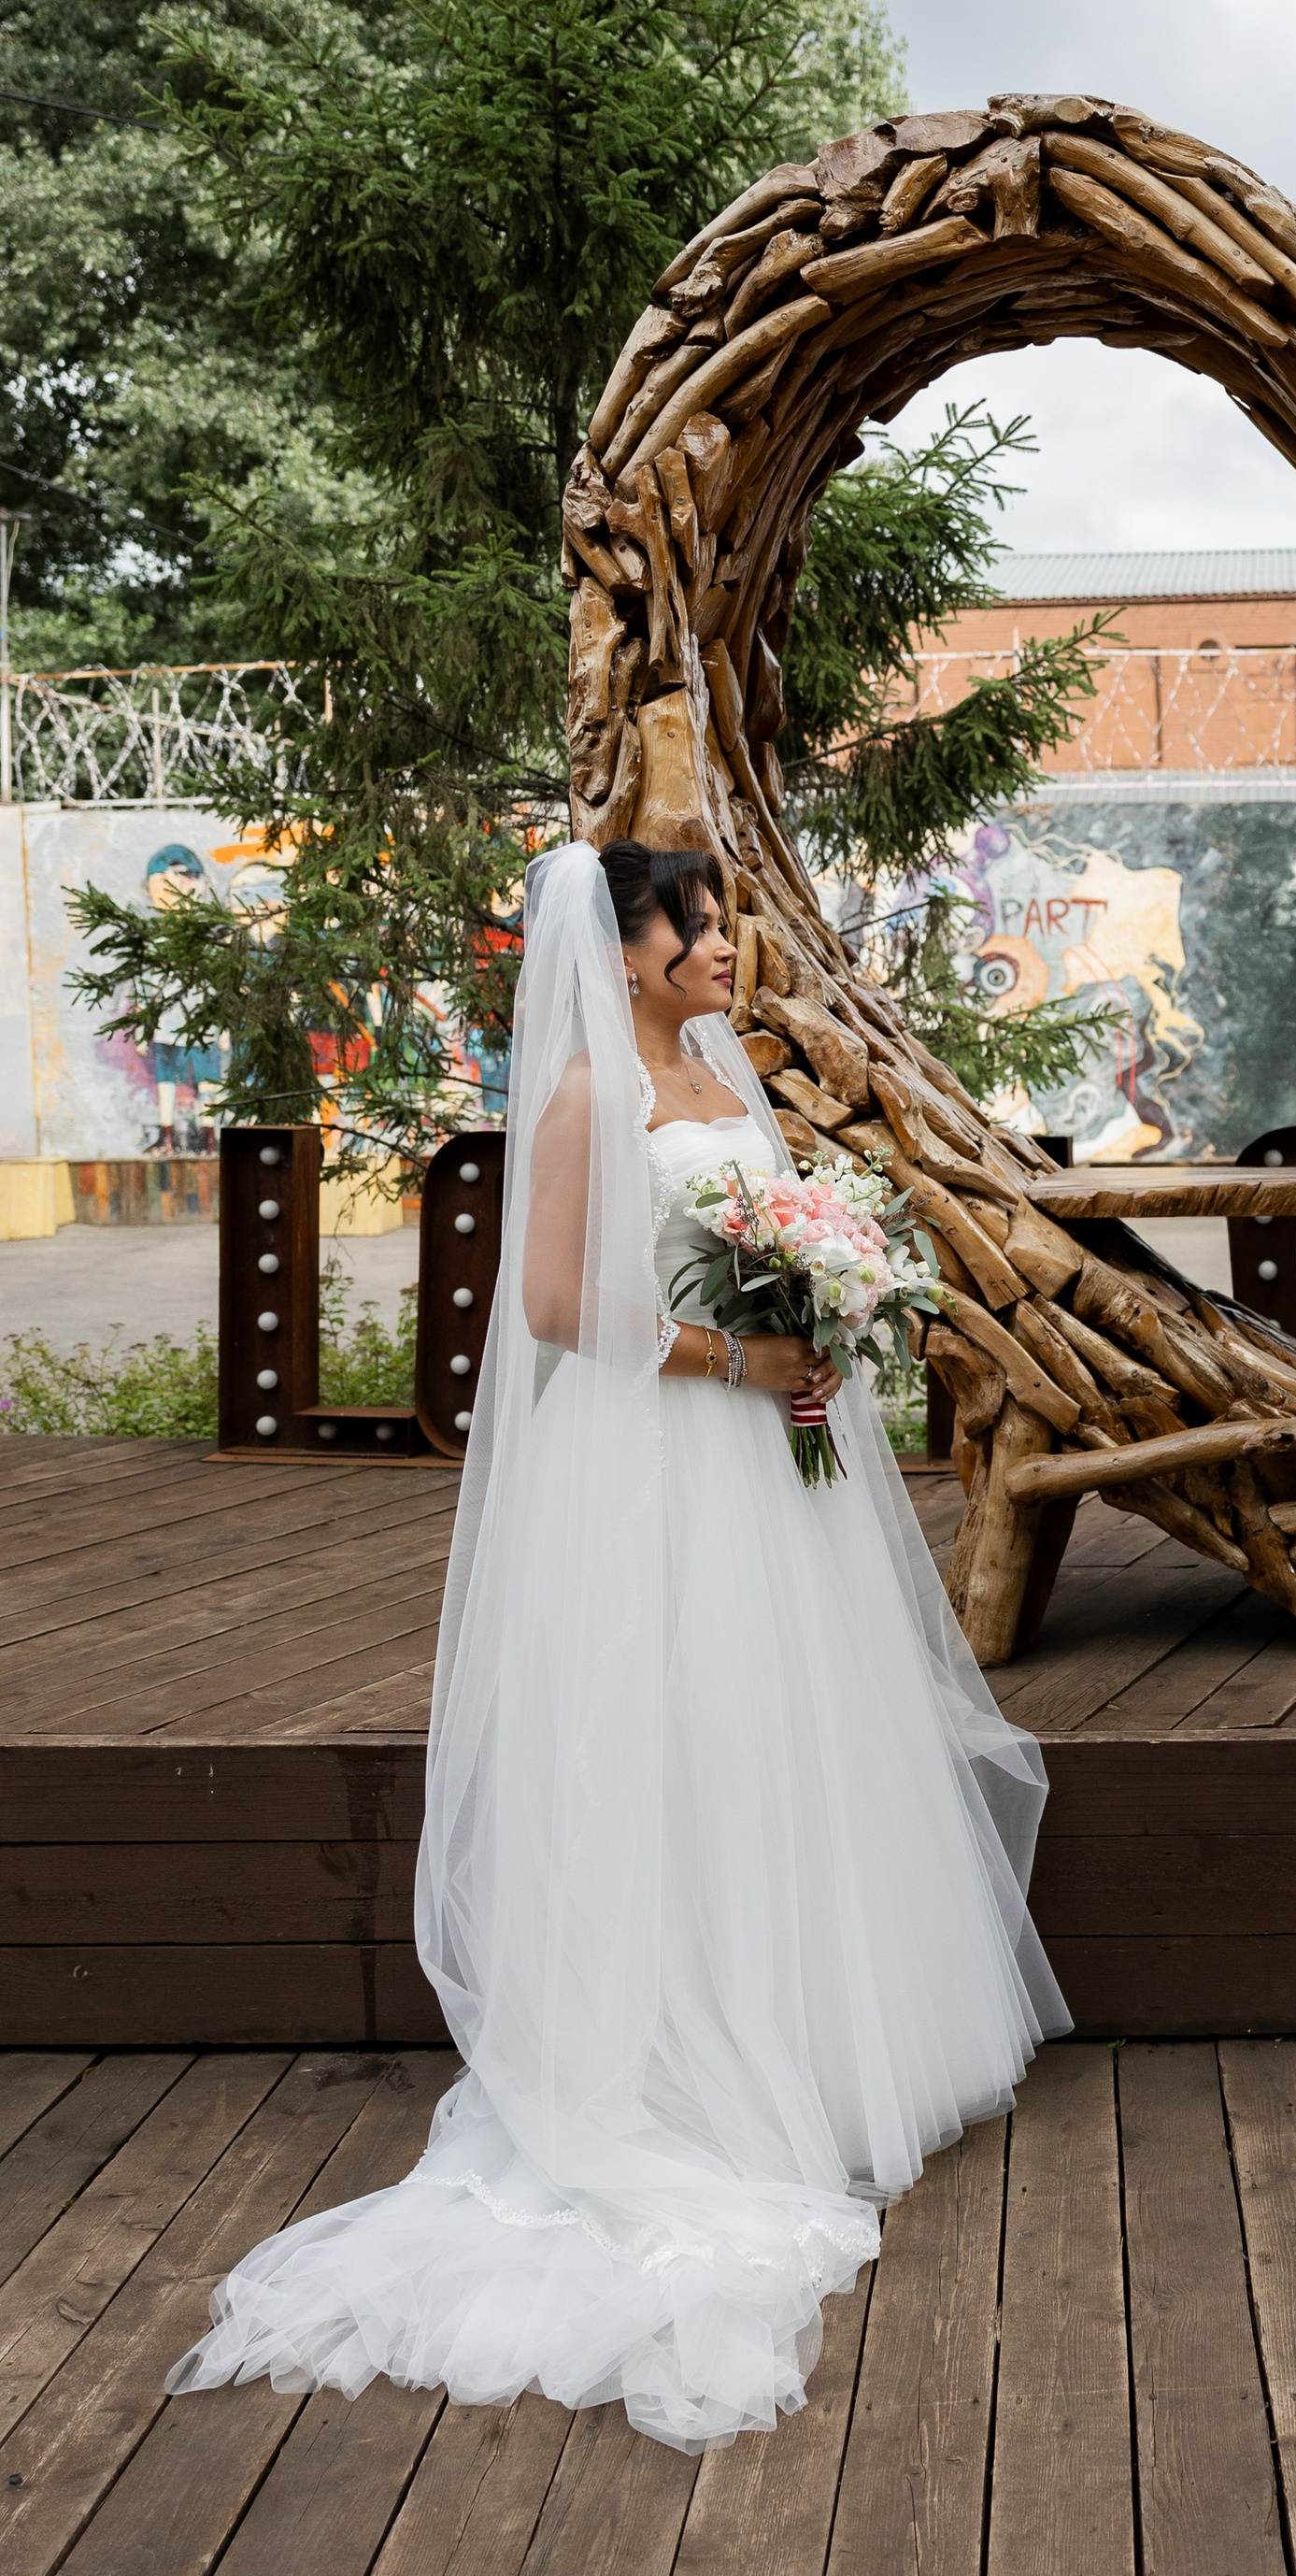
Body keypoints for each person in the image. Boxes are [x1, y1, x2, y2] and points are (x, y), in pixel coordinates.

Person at [167, 838, 1066, 2451]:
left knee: (785, 1728)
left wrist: (816, 1355)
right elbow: (560, 1308)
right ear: (627, 948)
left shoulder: (727, 1073)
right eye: (698, 923)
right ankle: (670, 2056)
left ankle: (809, 2032)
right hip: (653, 1463)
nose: (725, 943)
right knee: (671, 1726)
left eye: (719, 918)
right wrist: (743, 1357)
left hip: (761, 1461)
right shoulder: (589, 1096)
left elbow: (789, 1255)